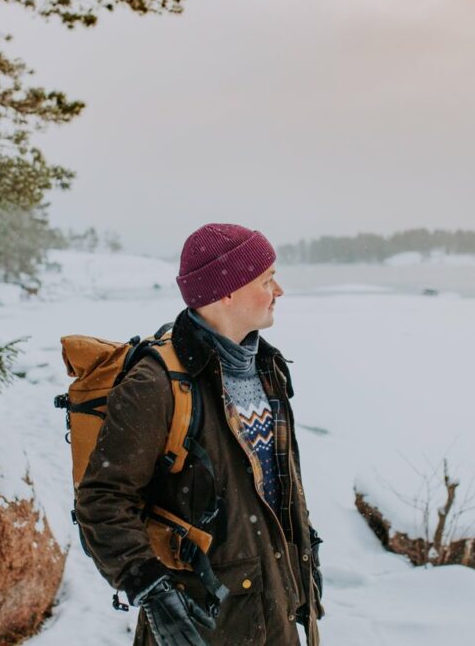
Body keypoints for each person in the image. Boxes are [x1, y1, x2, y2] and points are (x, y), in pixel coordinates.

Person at [76, 223, 323, 646]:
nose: (278, 290)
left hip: (278, 611)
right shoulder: (155, 384)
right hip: (201, 624)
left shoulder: (268, 368)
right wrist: (151, 589)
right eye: (266, 280)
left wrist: (304, 571)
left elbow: (275, 491)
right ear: (226, 292)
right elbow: (101, 501)